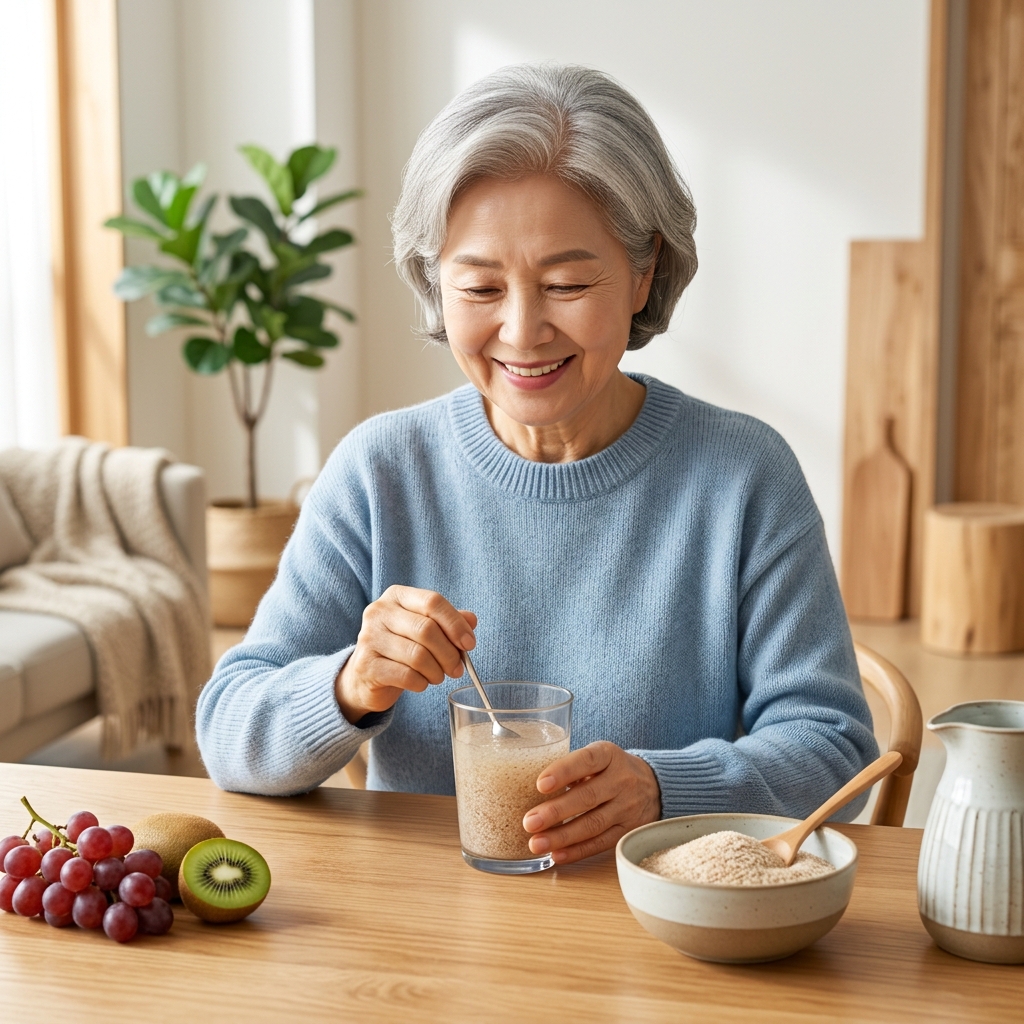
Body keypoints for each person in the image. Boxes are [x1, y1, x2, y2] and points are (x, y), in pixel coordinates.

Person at [196, 63, 878, 866]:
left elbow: (835, 750)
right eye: (480, 287)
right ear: (433, 282)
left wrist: (664, 790)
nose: (522, 332)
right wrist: (349, 685)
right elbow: (229, 731)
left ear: (642, 271)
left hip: (662, 943)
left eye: (566, 283)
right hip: (419, 949)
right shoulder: (381, 471)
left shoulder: (742, 476)